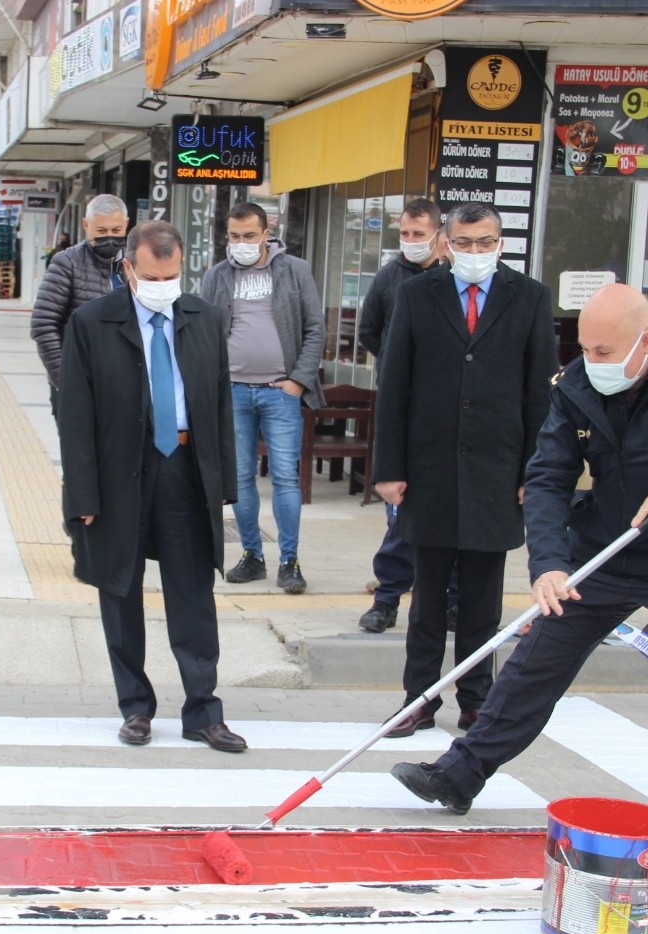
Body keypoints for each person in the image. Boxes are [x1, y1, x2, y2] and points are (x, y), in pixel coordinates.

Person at [389, 284, 648, 866]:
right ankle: (460, 775)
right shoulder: (578, 385)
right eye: (585, 349)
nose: (592, 363)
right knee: (537, 658)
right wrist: (550, 565)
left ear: (647, 342)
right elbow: (550, 477)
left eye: (605, 351)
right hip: (606, 549)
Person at [58, 220, 245, 753]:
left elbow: (219, 402)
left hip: (185, 470)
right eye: (152, 276)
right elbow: (76, 417)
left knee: (193, 594)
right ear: (129, 270)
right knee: (120, 592)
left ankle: (203, 711)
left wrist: (224, 482)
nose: (163, 285)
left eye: (172, 275)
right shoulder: (92, 323)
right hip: (122, 473)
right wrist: (83, 496)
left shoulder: (205, 318)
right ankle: (135, 707)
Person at [373, 203, 556, 734]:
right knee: (427, 598)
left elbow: (539, 396)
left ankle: (477, 698)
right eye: (465, 243)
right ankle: (419, 699)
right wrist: (389, 468)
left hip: (497, 470)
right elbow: (395, 388)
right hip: (428, 468)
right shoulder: (416, 295)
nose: (475, 252)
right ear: (445, 245)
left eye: (486, 242)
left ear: (501, 243)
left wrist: (534, 473)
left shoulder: (529, 298)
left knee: (481, 601)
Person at [200, 201, 325, 594]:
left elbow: (315, 329)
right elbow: (204, 331)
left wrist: (298, 381)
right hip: (232, 392)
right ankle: (252, 556)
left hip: (280, 392)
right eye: (234, 237)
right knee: (239, 478)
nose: (240, 243)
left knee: (286, 477)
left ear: (266, 233)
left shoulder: (295, 271)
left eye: (248, 236)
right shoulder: (216, 276)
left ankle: (290, 561)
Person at [355, 197, 447, 633]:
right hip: (402, 407)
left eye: (418, 234)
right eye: (404, 234)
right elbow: (368, 329)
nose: (410, 242)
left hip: (449, 409)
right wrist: (396, 365)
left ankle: (449, 602)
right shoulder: (390, 277)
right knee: (400, 510)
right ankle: (388, 598)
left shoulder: (453, 277)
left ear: (438, 234)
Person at [31, 195, 128, 416]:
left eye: (116, 230)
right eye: (101, 232)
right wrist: (64, 380)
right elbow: (43, 324)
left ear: (126, 224)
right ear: (86, 225)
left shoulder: (135, 264)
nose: (109, 238)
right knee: (80, 450)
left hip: (124, 384)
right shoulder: (67, 263)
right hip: (78, 381)